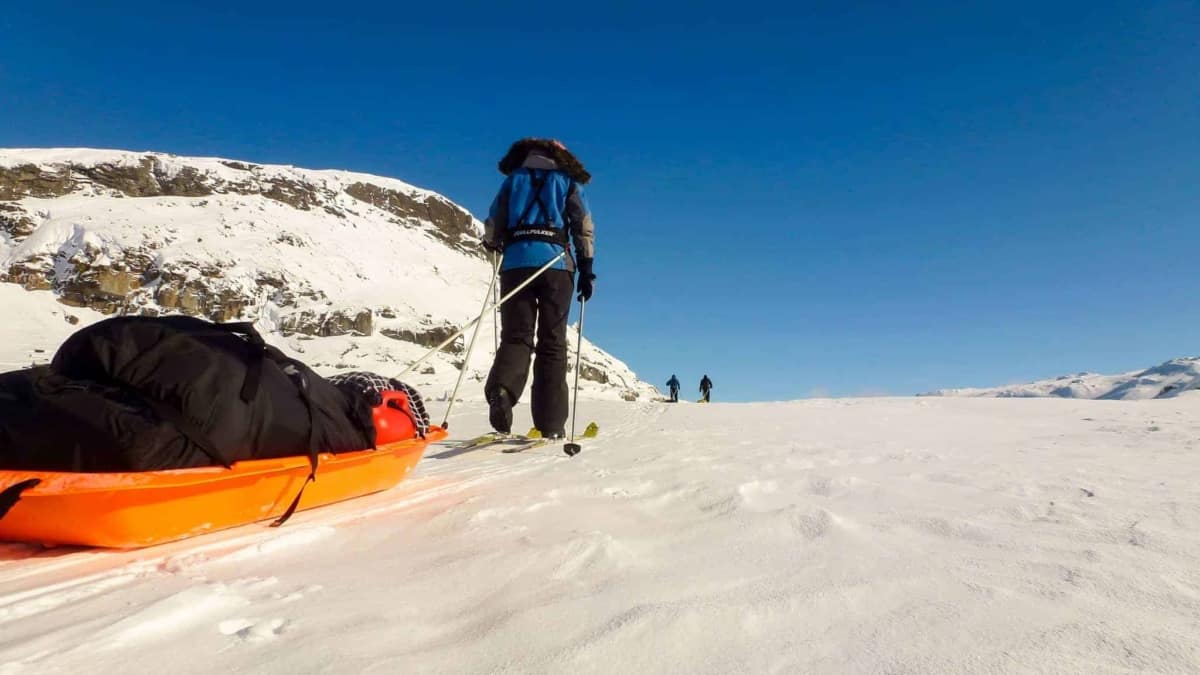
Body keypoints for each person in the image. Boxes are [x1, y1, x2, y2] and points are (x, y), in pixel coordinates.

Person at [482, 138, 596, 437]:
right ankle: (550, 424)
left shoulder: (513, 181)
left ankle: (503, 391)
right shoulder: (566, 181)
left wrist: (494, 243)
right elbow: (581, 223)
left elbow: (494, 222)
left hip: (515, 264)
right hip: (556, 264)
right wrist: (586, 268)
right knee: (552, 342)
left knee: (516, 337)